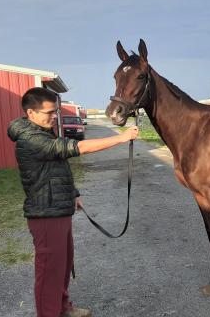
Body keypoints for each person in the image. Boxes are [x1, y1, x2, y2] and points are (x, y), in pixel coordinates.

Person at [7, 87, 138, 317]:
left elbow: (57, 165)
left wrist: (74, 193)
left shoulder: (41, 131)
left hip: (58, 208)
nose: (54, 116)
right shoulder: (30, 139)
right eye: (49, 112)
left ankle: (63, 307)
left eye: (55, 111)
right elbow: (75, 148)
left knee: (63, 264)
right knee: (49, 272)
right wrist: (121, 138)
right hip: (45, 214)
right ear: (31, 113)